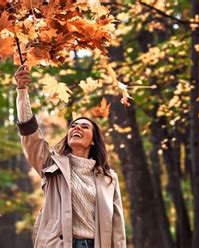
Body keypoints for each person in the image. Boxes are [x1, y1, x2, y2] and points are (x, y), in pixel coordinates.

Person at [14, 65, 126, 248]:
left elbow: (117, 227)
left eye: (84, 126)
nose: (77, 128)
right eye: (73, 126)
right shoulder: (52, 165)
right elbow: (31, 137)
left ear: (93, 141)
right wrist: (22, 91)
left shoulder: (108, 178)